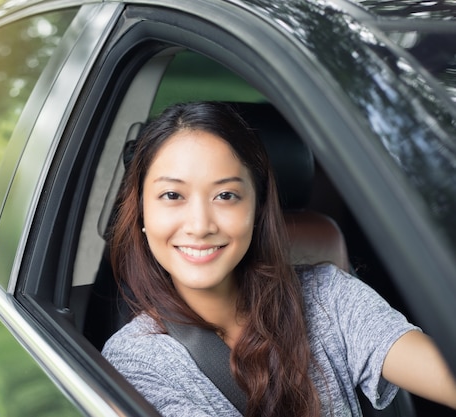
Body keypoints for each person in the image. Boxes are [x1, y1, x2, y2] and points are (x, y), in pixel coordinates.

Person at [101, 101, 456, 417]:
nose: (200, 225)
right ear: (142, 212)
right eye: (172, 194)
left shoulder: (328, 297)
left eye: (226, 195)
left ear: (256, 209)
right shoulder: (135, 361)